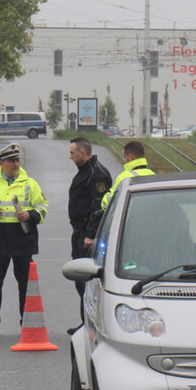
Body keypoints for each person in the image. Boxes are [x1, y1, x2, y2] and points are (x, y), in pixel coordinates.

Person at [0, 143, 48, 336]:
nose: (16, 164)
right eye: (12, 161)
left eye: (17, 160)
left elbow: (42, 207)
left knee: (25, 284)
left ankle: (27, 322)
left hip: (22, 238)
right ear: (2, 163)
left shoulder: (30, 183)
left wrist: (30, 215)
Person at [67, 137, 112, 334]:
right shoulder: (85, 172)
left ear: (83, 153)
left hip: (87, 234)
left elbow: (98, 207)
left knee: (86, 279)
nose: (70, 157)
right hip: (78, 231)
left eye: (73, 153)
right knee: (80, 280)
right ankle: (85, 321)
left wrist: (91, 235)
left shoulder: (96, 174)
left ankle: (90, 323)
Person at [101, 139, 155, 211]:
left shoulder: (125, 177)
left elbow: (110, 201)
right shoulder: (153, 175)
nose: (125, 160)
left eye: (125, 157)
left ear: (130, 156)